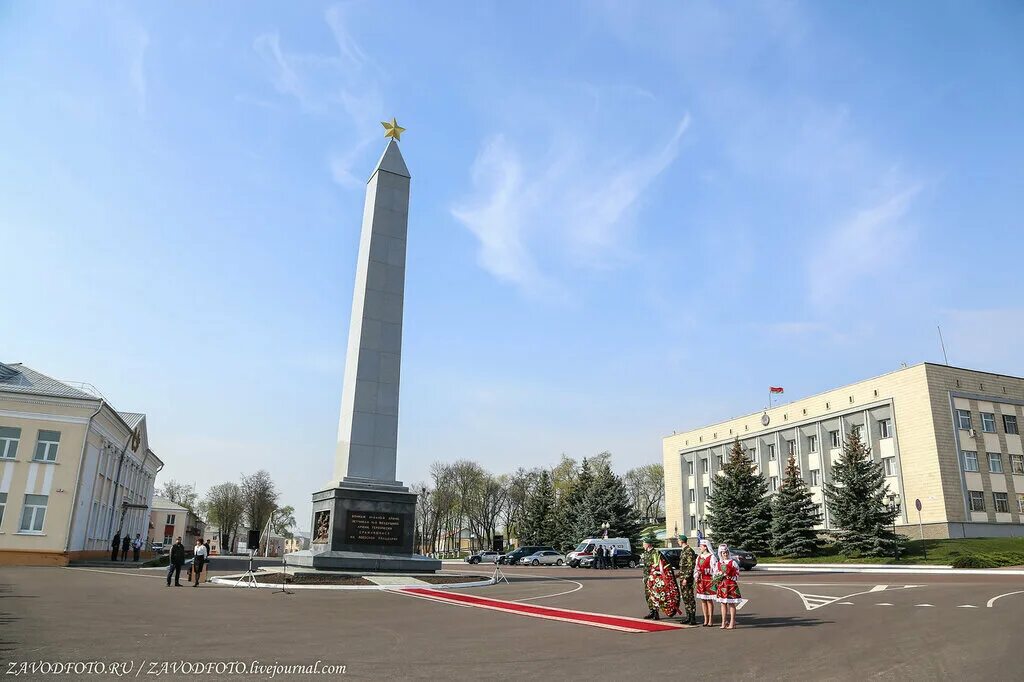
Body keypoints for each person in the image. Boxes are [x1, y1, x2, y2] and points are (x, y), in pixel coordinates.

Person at [640, 536, 680, 620]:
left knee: (655, 595)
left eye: (644, 544)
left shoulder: (655, 552)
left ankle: (656, 613)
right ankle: (652, 611)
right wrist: (645, 577)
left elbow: (657, 565)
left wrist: (655, 575)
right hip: (647, 577)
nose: (643, 545)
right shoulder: (646, 552)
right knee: (648, 596)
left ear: (648, 544)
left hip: (654, 578)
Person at [714, 543, 742, 630]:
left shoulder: (732, 562)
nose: (725, 554)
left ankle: (732, 622)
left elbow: (737, 572)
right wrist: (718, 576)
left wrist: (732, 576)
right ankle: (723, 621)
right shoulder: (718, 563)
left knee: (731, 603)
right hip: (722, 586)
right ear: (720, 554)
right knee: (723, 604)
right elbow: (715, 574)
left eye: (726, 552)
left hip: (730, 585)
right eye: (723, 553)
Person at [694, 539, 719, 627]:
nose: (700, 547)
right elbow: (696, 568)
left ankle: (711, 620)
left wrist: (712, 575)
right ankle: (706, 619)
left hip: (709, 580)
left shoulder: (711, 557)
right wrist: (696, 576)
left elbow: (715, 570)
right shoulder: (699, 557)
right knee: (703, 600)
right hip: (701, 581)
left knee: (709, 600)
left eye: (701, 546)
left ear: (705, 547)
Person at [677, 534, 698, 626]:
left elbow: (691, 566)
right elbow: (683, 567)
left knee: (690, 597)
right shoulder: (683, 551)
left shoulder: (689, 551)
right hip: (682, 577)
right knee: (685, 598)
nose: (678, 541)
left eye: (678, 540)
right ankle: (688, 616)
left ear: (682, 541)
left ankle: (692, 618)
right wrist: (678, 575)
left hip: (687, 579)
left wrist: (686, 578)